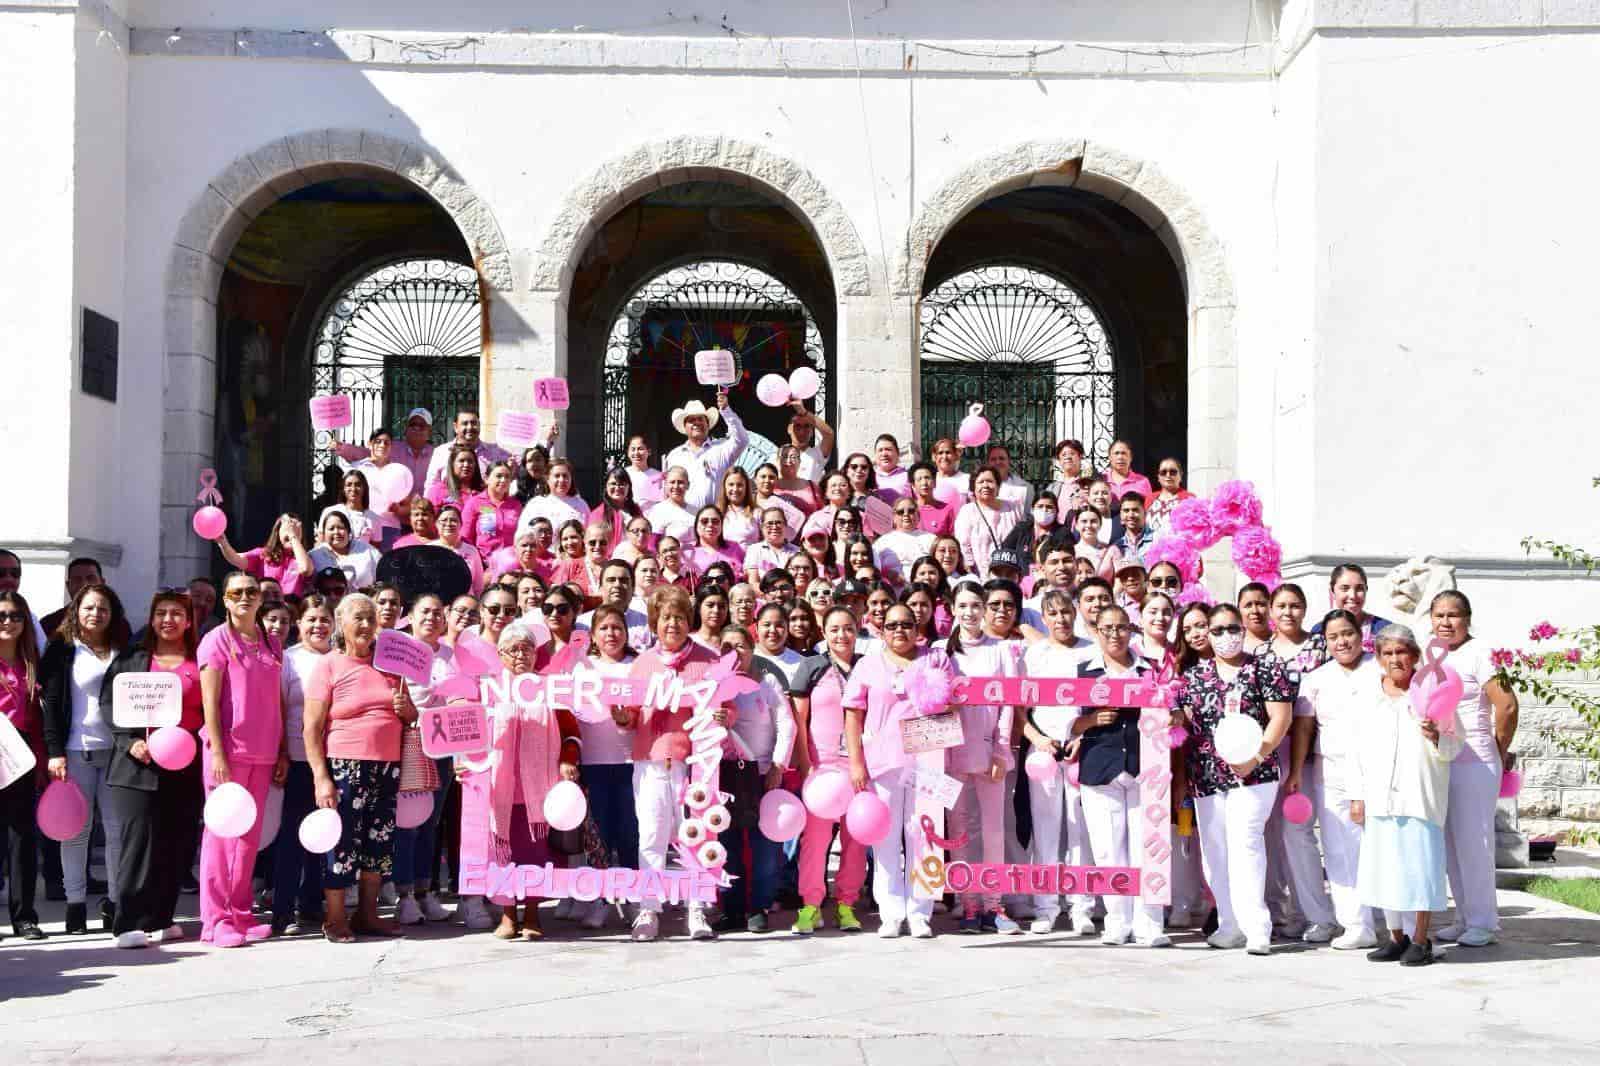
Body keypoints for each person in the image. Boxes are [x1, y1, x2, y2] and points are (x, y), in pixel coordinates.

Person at [1173, 603, 1294, 955]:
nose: (1226, 637)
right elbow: (1181, 719)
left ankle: (1257, 928)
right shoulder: (1194, 677)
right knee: (1215, 852)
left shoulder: (1265, 668)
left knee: (1246, 844)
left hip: (1254, 774)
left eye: (1232, 629)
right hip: (1207, 776)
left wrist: (1257, 755)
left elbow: (1280, 718)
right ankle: (1229, 924)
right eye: (1217, 630)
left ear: (1242, 630)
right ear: (1207, 635)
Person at [619, 585, 729, 941]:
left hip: (696, 764)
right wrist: (621, 715)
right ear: (655, 621)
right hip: (650, 761)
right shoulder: (643, 663)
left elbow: (729, 706)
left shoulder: (708, 660)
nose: (673, 624)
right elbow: (630, 716)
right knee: (650, 835)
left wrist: (726, 714)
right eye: (666, 617)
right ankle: (649, 910)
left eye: (680, 617)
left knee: (694, 836)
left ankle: (696, 909)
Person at [842, 603, 956, 939]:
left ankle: (920, 913)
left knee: (925, 837)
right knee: (886, 840)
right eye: (891, 625)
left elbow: (952, 702)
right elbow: (853, 715)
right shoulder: (867, 665)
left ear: (917, 627)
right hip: (883, 763)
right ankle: (891, 912)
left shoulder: (935, 659)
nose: (899, 631)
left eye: (906, 624)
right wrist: (856, 762)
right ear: (881, 628)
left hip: (928, 760)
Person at [303, 592, 413, 943]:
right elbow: (311, 727)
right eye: (358, 618)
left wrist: (407, 710)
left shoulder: (391, 665)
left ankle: (367, 914)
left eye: (371, 617)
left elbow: (410, 718)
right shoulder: (329, 665)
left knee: (378, 843)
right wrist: (322, 777)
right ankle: (335, 918)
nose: (366, 625)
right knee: (342, 842)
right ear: (341, 623)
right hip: (345, 766)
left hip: (388, 767)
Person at [1354, 624, 1463, 967]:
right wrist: (1357, 796)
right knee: (1385, 868)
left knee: (1419, 868)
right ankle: (1395, 937)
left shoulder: (1433, 691)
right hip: (1379, 797)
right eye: (1387, 653)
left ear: (1416, 656)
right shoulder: (1367, 696)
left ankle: (1420, 939)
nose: (1395, 659)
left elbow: (1455, 744)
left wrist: (1435, 736)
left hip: (1420, 795)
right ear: (1378, 658)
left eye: (1402, 652)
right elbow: (1354, 751)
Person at [102, 589, 204, 948]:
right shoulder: (134, 659)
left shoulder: (199, 659)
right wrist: (129, 741)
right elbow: (109, 704)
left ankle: (162, 918)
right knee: (138, 844)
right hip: (137, 767)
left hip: (185, 765)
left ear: (189, 620)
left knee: (177, 844)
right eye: (161, 612)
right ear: (151, 617)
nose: (168, 619)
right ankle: (126, 922)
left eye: (177, 613)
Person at [195, 572, 285, 947]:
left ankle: (241, 915)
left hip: (263, 752)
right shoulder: (216, 641)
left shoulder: (271, 641)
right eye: (237, 592)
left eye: (252, 591)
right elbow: (209, 703)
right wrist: (217, 750)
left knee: (248, 839)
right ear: (226, 600)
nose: (245, 597)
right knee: (221, 836)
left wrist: (281, 750)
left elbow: (277, 700)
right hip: (228, 753)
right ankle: (215, 922)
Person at [1073, 604, 1169, 947]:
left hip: (1145, 769)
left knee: (1149, 846)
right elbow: (1066, 723)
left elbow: (1173, 709)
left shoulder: (1152, 670)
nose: (1115, 634)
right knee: (1108, 850)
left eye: (1121, 627)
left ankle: (1150, 922)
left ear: (1132, 630)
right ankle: (1117, 920)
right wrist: (1091, 721)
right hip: (1101, 768)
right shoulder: (1083, 672)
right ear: (1096, 632)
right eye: (1107, 628)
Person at [478, 621, 580, 941]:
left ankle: (533, 914)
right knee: (502, 854)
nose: (520, 654)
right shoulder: (490, 690)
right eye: (513, 649)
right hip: (499, 788)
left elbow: (572, 734)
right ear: (500, 655)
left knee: (535, 854)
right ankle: (508, 916)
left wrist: (567, 760)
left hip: (540, 789)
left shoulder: (550, 688)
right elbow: (470, 733)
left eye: (526, 648)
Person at [1430, 590, 1518, 948]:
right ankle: (1464, 916)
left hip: (1476, 759)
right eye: (1439, 615)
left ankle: (1484, 921)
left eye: (1453, 615)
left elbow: (1508, 706)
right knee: (1450, 842)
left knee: (1474, 841)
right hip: (1443, 759)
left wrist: (1498, 748)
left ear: (1467, 618)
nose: (1446, 623)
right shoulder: (1433, 653)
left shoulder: (1480, 654)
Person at [41, 583, 130, 934]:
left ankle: (114, 902)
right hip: (74, 753)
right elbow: (49, 705)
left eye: (103, 608)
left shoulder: (123, 650)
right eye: (90, 607)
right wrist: (54, 752)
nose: (96, 614)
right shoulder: (62, 650)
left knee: (115, 832)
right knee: (74, 832)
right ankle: (75, 905)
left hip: (116, 752)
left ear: (113, 613)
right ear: (77, 610)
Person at [1293, 608, 1380, 950]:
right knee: (1340, 849)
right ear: (1325, 642)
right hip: (1332, 773)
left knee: (1379, 846)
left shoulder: (1381, 668)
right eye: (1333, 637)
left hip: (1379, 773)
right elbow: (1303, 728)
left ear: (1361, 634)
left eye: (1348, 633)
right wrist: (1297, 770)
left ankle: (1394, 921)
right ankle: (1356, 925)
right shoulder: (1316, 679)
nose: (1342, 641)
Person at [945, 582, 1021, 934]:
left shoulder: (1002, 650)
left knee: (993, 831)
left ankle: (994, 905)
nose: (971, 612)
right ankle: (969, 904)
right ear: (952, 609)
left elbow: (1008, 704)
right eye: (964, 605)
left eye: (977, 605)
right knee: (960, 833)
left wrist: (1001, 749)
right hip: (951, 756)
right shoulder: (940, 652)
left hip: (991, 753)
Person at [1021, 589, 1098, 935]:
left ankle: (1081, 907)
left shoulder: (1091, 651)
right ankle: (1046, 906)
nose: (1061, 619)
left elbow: (1100, 705)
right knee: (1046, 832)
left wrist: (1082, 739)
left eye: (1066, 611)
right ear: (1045, 618)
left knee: (1080, 831)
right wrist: (1039, 740)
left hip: (1082, 750)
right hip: (1044, 752)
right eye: (1052, 613)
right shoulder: (1033, 654)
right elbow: (1019, 707)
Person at [791, 605, 868, 935]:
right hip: (822, 769)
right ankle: (810, 906)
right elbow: (798, 721)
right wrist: (806, 767)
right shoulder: (812, 666)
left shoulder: (868, 666)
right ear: (823, 632)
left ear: (858, 629)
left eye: (848, 627)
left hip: (861, 768)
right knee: (816, 841)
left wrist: (863, 765)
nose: (842, 635)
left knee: (857, 840)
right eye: (835, 628)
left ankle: (846, 904)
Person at [714, 624, 795, 933]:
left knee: (764, 847)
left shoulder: (768, 682)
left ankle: (758, 906)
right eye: (726, 647)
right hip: (725, 775)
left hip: (762, 774)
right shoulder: (713, 686)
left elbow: (786, 725)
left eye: (741, 646)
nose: (734, 653)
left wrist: (778, 765)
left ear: (752, 648)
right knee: (728, 844)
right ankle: (732, 908)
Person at [573, 605, 641, 929]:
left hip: (631, 765)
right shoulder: (582, 668)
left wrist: (629, 718)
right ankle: (600, 900)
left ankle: (631, 899)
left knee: (630, 835)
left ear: (626, 633)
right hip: (594, 764)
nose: (611, 634)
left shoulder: (639, 666)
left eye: (617, 627)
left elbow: (649, 711)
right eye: (604, 628)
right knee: (598, 838)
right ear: (593, 635)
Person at [272, 596, 334, 936]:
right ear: (300, 624)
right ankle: (283, 910)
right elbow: (279, 711)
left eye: (325, 619)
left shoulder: (340, 659)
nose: (318, 626)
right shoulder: (289, 660)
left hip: (333, 761)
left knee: (324, 838)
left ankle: (312, 904)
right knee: (292, 838)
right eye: (311, 619)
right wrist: (281, 753)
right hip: (297, 759)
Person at [0, 591, 47, 940]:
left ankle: (24, 916)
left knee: (22, 837)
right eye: (2, 615)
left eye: (16, 615)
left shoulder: (32, 662)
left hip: (23, 754)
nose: (8, 621)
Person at [663, 394, 748, 511]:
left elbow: (742, 439)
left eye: (700, 419)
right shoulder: (674, 455)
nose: (696, 423)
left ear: (708, 424)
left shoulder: (721, 449)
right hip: (682, 519)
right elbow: (666, 490)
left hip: (714, 520)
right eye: (691, 420)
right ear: (685, 426)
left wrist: (726, 411)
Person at [336, 408, 436, 499]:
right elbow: (367, 454)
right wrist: (342, 448)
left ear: (430, 431)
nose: (416, 428)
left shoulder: (436, 454)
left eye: (421, 426)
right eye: (413, 424)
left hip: (424, 514)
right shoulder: (392, 448)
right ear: (406, 428)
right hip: (395, 513)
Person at [38, 558, 134, 645]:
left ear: (102, 583)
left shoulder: (118, 624)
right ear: (68, 586)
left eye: (90, 578)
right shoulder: (49, 624)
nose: (84, 584)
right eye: (77, 579)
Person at [421, 408, 512, 494]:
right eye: (465, 423)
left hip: (484, 507)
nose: (470, 427)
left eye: (474, 423)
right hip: (448, 506)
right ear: (455, 427)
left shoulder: (495, 453)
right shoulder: (441, 452)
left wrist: (513, 469)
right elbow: (431, 486)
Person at [955, 467, 1020, 579]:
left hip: (1011, 573)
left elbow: (1022, 539)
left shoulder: (1012, 508)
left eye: (990, 481)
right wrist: (971, 573)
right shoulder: (967, 511)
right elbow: (963, 545)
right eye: (980, 482)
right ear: (973, 488)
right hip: (981, 575)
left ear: (998, 486)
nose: (985, 485)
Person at [576, 559, 653, 651]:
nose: (617, 585)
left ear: (633, 588)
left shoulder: (647, 624)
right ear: (600, 588)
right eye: (611, 580)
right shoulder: (583, 624)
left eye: (623, 581)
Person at [1310, 563, 1392, 646]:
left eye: (1359, 588)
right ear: (1332, 592)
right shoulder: (1320, 631)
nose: (1353, 595)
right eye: (1345, 588)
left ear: (1366, 590)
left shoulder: (1385, 629)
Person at [461, 460, 523, 559]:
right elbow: (465, 538)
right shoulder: (474, 503)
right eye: (498, 476)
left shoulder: (516, 505)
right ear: (486, 479)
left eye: (507, 476)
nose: (503, 480)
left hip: (510, 564)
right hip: (483, 563)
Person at [515, 458, 591, 540]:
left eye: (565, 476)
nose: (562, 480)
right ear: (547, 478)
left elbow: (589, 534)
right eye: (557, 476)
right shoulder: (535, 505)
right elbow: (521, 535)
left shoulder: (581, 504)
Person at [308, 511, 382, 590]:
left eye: (341, 528)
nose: (336, 532)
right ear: (324, 533)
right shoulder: (314, 556)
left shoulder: (369, 552)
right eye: (331, 529)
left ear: (349, 531)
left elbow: (381, 583)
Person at [874, 497, 935, 584]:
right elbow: (873, 569)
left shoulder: (931, 539)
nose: (906, 514)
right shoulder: (882, 542)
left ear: (918, 515)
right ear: (894, 517)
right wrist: (887, 574)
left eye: (911, 511)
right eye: (900, 512)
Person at [319, 468, 386, 546]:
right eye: (349, 485)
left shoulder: (374, 518)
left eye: (358, 485)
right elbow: (321, 543)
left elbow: (375, 550)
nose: (353, 489)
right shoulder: (329, 512)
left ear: (364, 488)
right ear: (343, 489)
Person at [428, 444, 488, 511]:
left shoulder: (485, 491)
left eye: (470, 461)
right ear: (452, 464)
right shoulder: (438, 491)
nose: (466, 465)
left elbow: (491, 514)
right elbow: (431, 518)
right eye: (461, 461)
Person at [785, 400, 835, 480]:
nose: (802, 431)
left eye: (806, 426)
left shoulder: (818, 454)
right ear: (789, 429)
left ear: (812, 432)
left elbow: (829, 434)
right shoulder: (779, 457)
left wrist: (804, 412)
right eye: (797, 426)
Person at [1143, 457, 1194, 536]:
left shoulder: (1189, 498)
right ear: (1158, 477)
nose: (1168, 475)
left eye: (1173, 472)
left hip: (1177, 547)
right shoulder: (1150, 498)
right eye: (1163, 472)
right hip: (1151, 547)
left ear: (1180, 475)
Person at [645, 467, 697, 542]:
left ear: (688, 485)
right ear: (665, 484)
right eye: (672, 482)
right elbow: (652, 545)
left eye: (680, 482)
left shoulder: (696, 511)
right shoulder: (658, 511)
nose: (676, 486)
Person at [907, 461, 955, 537]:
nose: (924, 483)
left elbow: (951, 538)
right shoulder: (907, 510)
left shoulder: (947, 509)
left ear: (935, 482)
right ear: (913, 486)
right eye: (919, 479)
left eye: (927, 478)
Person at [774, 444, 823, 515]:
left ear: (799, 461)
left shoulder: (812, 487)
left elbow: (822, 513)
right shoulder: (770, 486)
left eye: (793, 457)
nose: (789, 461)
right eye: (784, 457)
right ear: (777, 460)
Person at [984, 443, 1034, 512]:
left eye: (1002, 458)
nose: (997, 462)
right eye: (993, 459)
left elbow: (1029, 517)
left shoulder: (1026, 488)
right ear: (988, 463)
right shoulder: (979, 487)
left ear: (1009, 461)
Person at [1046, 438, 1090, 512]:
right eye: (1063, 455)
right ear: (1059, 460)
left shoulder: (1090, 484)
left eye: (1072, 453)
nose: (1068, 457)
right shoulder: (1052, 488)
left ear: (1080, 457)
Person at [622, 434, 665, 508]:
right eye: (633, 449)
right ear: (628, 453)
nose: (636, 453)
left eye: (640, 449)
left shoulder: (658, 476)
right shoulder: (623, 474)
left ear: (649, 451)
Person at [930, 437, 971, 505]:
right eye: (940, 453)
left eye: (948, 452)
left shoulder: (966, 479)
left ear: (956, 456)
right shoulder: (930, 480)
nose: (944, 457)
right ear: (934, 457)